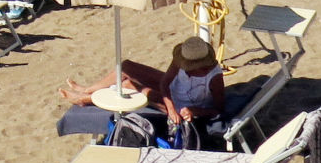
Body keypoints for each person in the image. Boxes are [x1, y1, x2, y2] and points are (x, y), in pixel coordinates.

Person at [61, 37, 225, 131]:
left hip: (185, 106)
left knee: (133, 86)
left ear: (201, 66)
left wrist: (194, 111)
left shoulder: (214, 78)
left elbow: (218, 109)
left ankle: (86, 100)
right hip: (172, 94)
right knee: (127, 67)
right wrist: (169, 107)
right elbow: (166, 82)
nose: (185, 69)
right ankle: (88, 90)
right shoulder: (182, 59)